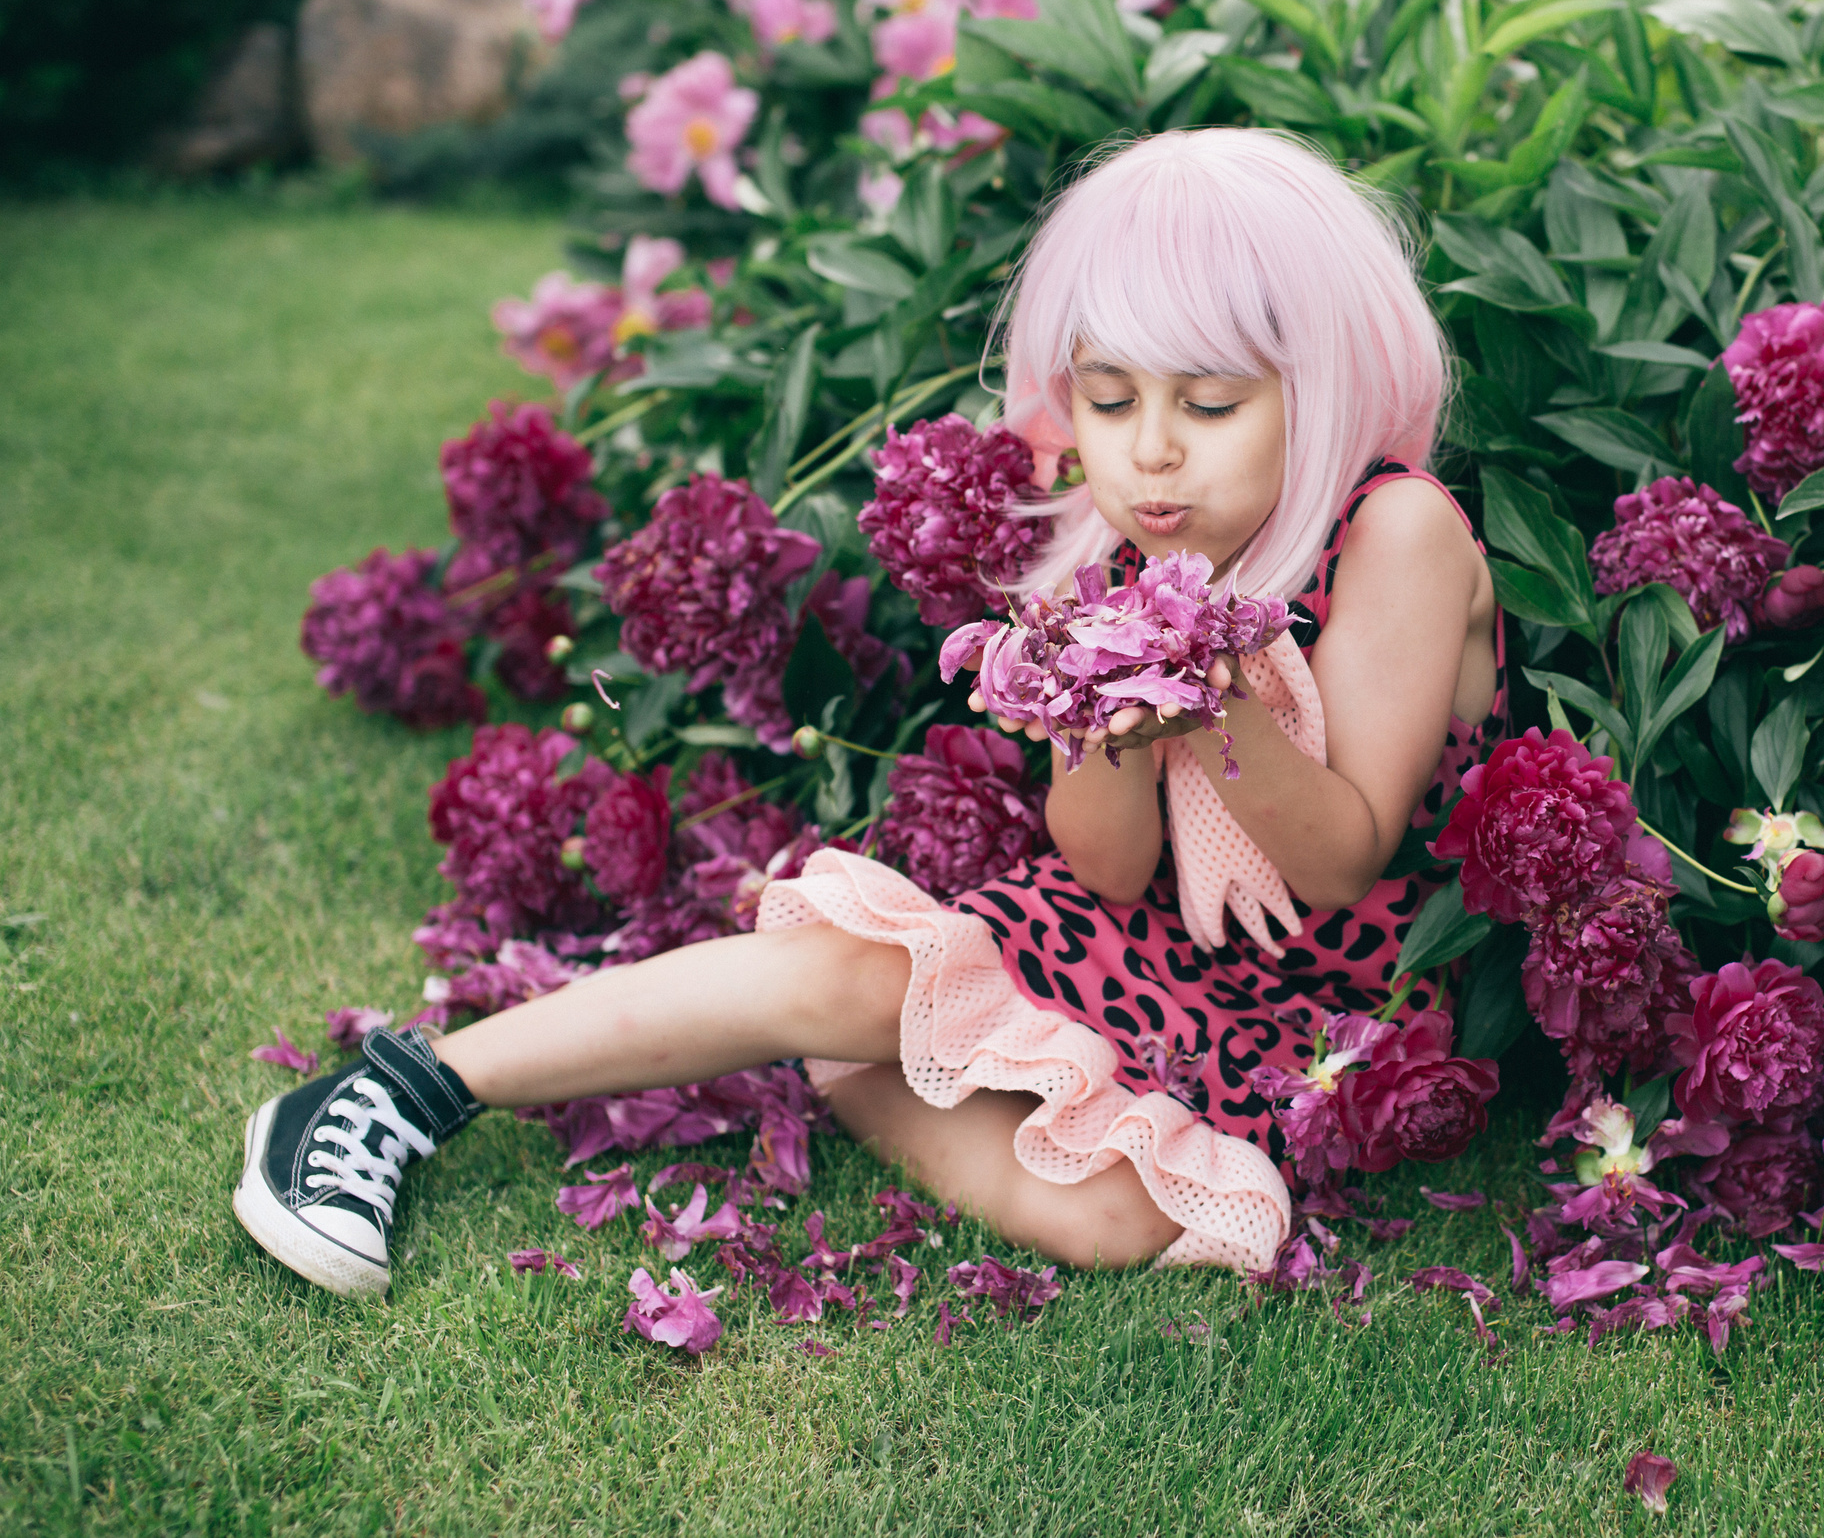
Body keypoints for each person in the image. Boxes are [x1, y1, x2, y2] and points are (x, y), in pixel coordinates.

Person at [233, 127, 1506, 1296]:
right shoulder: (1132, 562)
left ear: (1320, 385)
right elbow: (1105, 870)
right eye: (1111, 402)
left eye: (1210, 405)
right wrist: (1116, 710)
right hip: (1146, 947)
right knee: (857, 971)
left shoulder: (1391, 532)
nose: (1152, 451)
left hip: (1319, 1010)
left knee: (1140, 1225)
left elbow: (1345, 858)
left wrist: (1206, 706)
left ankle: (863, 1074)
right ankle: (404, 1091)